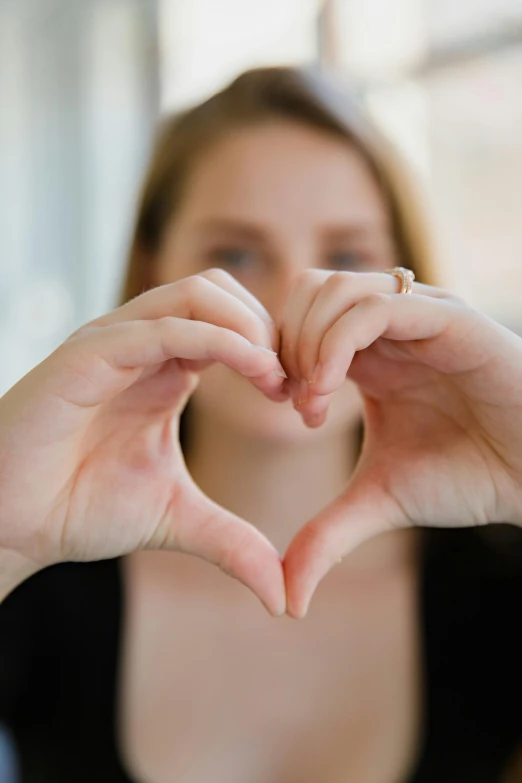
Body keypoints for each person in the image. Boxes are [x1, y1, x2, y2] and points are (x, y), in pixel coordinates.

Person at [1, 65, 522, 783]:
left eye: (345, 257)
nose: (292, 303)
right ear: (154, 272)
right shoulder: (42, 571)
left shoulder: (501, 579)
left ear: (408, 286)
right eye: (236, 255)